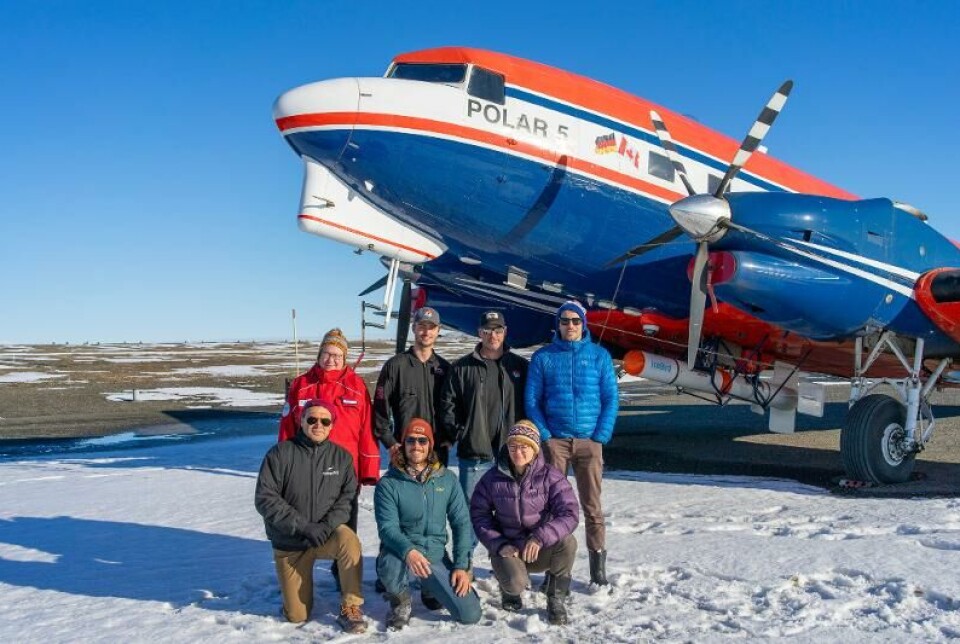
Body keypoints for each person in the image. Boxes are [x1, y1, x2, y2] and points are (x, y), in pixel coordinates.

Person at [525, 300, 619, 586]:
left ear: (584, 324)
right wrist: (545, 436)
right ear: (558, 325)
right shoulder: (544, 358)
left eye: (575, 321)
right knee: (552, 507)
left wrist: (600, 436)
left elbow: (610, 398)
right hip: (557, 443)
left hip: (589, 443)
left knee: (592, 506)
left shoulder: (600, 357)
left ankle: (597, 567)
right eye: (565, 321)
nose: (570, 326)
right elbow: (532, 400)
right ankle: (555, 568)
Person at [254, 399, 367, 633]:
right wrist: (304, 527)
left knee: (349, 540)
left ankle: (351, 607)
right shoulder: (280, 454)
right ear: (301, 421)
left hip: (325, 535)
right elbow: (266, 499)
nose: (318, 425)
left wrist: (326, 526)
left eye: (325, 421)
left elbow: (346, 500)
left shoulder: (341, 458)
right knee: (297, 616)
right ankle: (295, 592)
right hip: (291, 541)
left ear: (332, 425)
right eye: (312, 419)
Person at [373, 418, 482, 630]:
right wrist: (408, 551)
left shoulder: (447, 479)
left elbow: (461, 523)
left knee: (470, 614)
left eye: (422, 441)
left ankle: (429, 587)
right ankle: (400, 599)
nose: (416, 446)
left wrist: (461, 566)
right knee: (389, 565)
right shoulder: (389, 483)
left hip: (434, 554)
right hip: (401, 552)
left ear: (430, 445)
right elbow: (388, 528)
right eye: (411, 440)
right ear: (403, 444)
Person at [470, 420, 579, 625]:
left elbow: (570, 513)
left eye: (524, 446)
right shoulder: (492, 478)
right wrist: (499, 544)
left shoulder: (551, 477)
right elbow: (479, 514)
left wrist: (540, 537)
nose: (518, 452)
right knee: (515, 584)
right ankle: (508, 589)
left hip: (539, 548)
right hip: (508, 550)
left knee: (568, 542)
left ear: (535, 448)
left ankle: (556, 598)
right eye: (513, 446)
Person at [440, 310, 528, 557]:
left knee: (511, 514)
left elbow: (531, 404)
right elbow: (448, 404)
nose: (493, 335)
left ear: (505, 332)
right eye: (488, 330)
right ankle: (464, 562)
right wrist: (460, 431)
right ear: (479, 333)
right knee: (470, 513)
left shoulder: (519, 367)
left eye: (498, 330)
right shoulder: (462, 368)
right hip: (474, 455)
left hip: (510, 456)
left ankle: (508, 565)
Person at [277, 328, 380, 533]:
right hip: (306, 468)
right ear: (319, 354)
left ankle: (341, 565)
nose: (331, 359)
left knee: (344, 525)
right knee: (307, 522)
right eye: (327, 353)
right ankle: (304, 561)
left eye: (337, 355)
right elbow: (287, 428)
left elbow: (367, 428)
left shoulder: (356, 386)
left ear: (345, 358)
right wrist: (284, 465)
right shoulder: (301, 384)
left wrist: (369, 468)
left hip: (346, 468)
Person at [374, 307, 451, 465]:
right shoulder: (395, 366)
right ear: (413, 328)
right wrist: (390, 442)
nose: (426, 332)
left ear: (438, 330)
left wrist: (451, 436)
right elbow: (380, 409)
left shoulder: (446, 369)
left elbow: (456, 407)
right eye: (422, 326)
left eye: (431, 327)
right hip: (404, 450)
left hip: (436, 451)